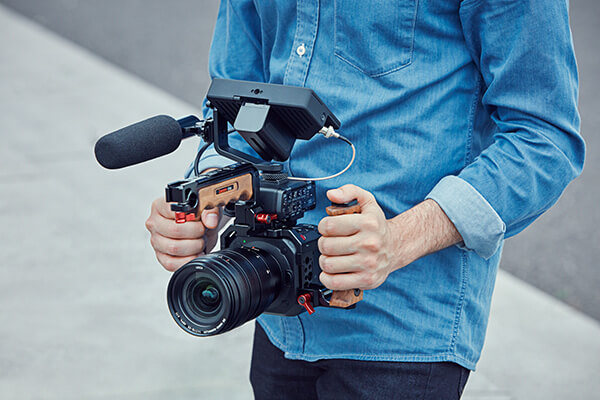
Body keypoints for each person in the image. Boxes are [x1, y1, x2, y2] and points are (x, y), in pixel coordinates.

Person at [145, 1, 585, 398]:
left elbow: (544, 136)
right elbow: (236, 105)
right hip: (271, 302)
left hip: (403, 331)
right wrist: (208, 199)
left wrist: (399, 239)